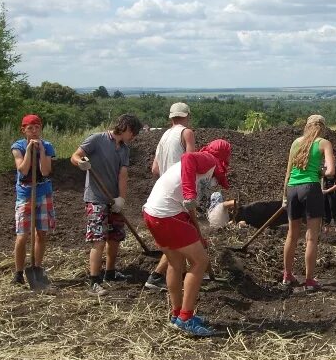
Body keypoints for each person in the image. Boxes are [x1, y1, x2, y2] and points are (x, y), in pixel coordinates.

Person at [143, 139, 232, 337]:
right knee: (200, 261)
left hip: (153, 212)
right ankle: (186, 318)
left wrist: (195, 232)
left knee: (175, 262)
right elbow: (188, 157)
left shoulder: (203, 167)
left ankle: (177, 315)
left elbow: (187, 205)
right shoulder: (208, 159)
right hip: (167, 214)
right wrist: (190, 194)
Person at [71, 113, 143, 296]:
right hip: (96, 197)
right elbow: (75, 155)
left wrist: (121, 200)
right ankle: (94, 281)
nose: (133, 137)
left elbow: (123, 175)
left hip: (113, 199)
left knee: (115, 237)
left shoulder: (125, 149)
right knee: (99, 239)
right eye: (133, 132)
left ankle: (110, 273)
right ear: (125, 127)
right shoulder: (97, 139)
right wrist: (81, 163)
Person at [145, 102, 197, 292]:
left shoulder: (164, 136)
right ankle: (158, 276)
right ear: (187, 116)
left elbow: (155, 169)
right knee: (181, 240)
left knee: (177, 240)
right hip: (179, 193)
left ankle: (181, 276)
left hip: (163, 191)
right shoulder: (187, 133)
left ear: (171, 117)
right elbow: (192, 164)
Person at [281, 115, 335, 292]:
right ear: (323, 128)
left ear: (307, 126)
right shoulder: (323, 143)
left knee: (291, 234)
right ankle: (309, 280)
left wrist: (284, 198)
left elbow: (288, 173)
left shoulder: (296, 143)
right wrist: (320, 171)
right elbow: (331, 171)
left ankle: (287, 275)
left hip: (292, 189)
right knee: (311, 237)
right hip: (311, 188)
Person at [10, 114, 55, 286]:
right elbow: (23, 169)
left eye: (37, 127)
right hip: (25, 195)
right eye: (30, 128)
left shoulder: (48, 146)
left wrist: (42, 151)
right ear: (24, 130)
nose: (34, 131)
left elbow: (45, 171)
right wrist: (29, 150)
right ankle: (19, 272)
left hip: (43, 193)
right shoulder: (18, 147)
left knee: (41, 233)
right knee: (22, 235)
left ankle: (37, 268)